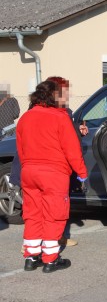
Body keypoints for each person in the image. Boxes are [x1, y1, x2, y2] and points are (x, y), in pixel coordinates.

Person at [17, 79, 88, 273]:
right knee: (54, 215)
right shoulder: (60, 117)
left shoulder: (26, 117)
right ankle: (51, 259)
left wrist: (27, 167)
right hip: (53, 173)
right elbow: (71, 149)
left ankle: (31, 257)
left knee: (32, 215)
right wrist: (82, 173)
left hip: (29, 172)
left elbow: (21, 148)